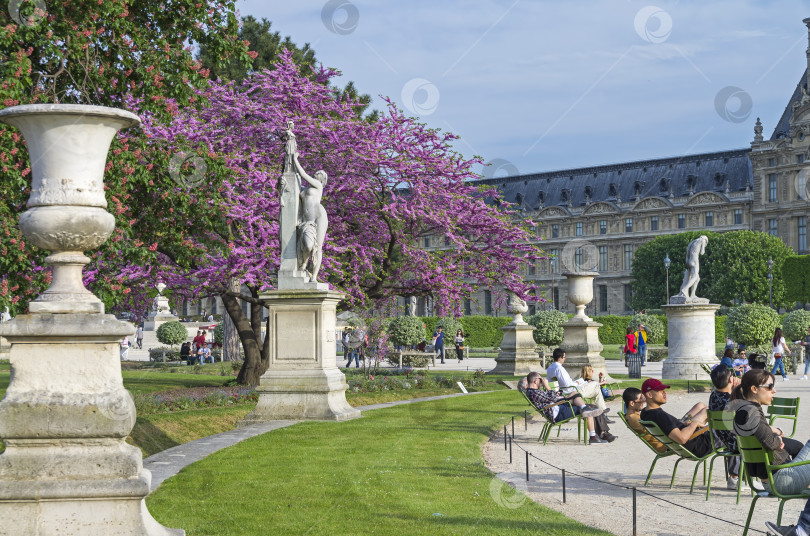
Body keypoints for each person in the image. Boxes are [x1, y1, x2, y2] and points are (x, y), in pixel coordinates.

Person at [725, 370, 807, 536]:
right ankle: (802, 529)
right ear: (754, 389)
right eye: (770, 387)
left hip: (767, 480)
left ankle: (803, 529)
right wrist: (776, 439)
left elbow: (767, 437)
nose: (774, 390)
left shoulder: (742, 410)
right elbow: (770, 442)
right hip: (782, 479)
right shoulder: (751, 412)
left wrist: (774, 437)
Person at [524, 371, 611, 444]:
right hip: (557, 413)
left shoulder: (534, 392)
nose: (542, 381)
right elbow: (552, 397)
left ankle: (602, 432)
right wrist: (547, 386)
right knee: (588, 411)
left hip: (557, 407)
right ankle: (593, 438)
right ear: (536, 381)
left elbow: (551, 398)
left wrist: (559, 396)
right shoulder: (533, 393)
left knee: (578, 397)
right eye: (541, 379)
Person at [639, 379, 713, 457]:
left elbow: (669, 428)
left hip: (688, 441)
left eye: (664, 390)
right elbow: (682, 439)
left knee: (701, 406)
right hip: (701, 445)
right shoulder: (659, 416)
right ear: (649, 395)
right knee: (711, 413)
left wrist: (685, 425)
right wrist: (695, 423)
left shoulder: (645, 413)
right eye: (660, 390)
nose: (664, 392)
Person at [708, 365, 748, 490]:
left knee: (733, 436)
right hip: (736, 441)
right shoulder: (731, 400)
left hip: (723, 438)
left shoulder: (713, 396)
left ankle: (734, 477)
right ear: (731, 380)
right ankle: (744, 478)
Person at [622, 387, 667, 454]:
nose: (644, 401)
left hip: (666, 441)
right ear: (632, 403)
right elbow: (659, 428)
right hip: (665, 444)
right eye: (641, 399)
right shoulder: (635, 419)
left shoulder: (633, 415)